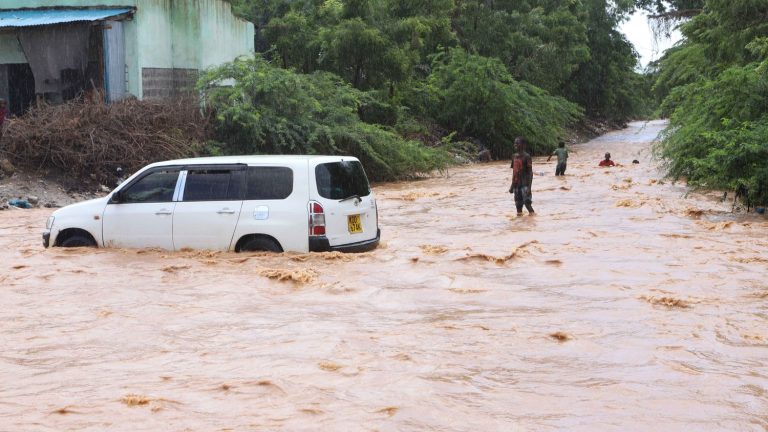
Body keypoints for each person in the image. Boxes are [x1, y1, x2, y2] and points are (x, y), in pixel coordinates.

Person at [509, 136, 535, 215]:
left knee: (527, 204)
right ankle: (520, 224)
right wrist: (512, 186)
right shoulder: (514, 156)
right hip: (516, 186)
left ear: (523, 145)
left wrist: (529, 188)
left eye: (517, 143)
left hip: (525, 185)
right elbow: (515, 172)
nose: (515, 144)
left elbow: (530, 173)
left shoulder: (527, 157)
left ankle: (532, 221)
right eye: (515, 143)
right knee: (518, 206)